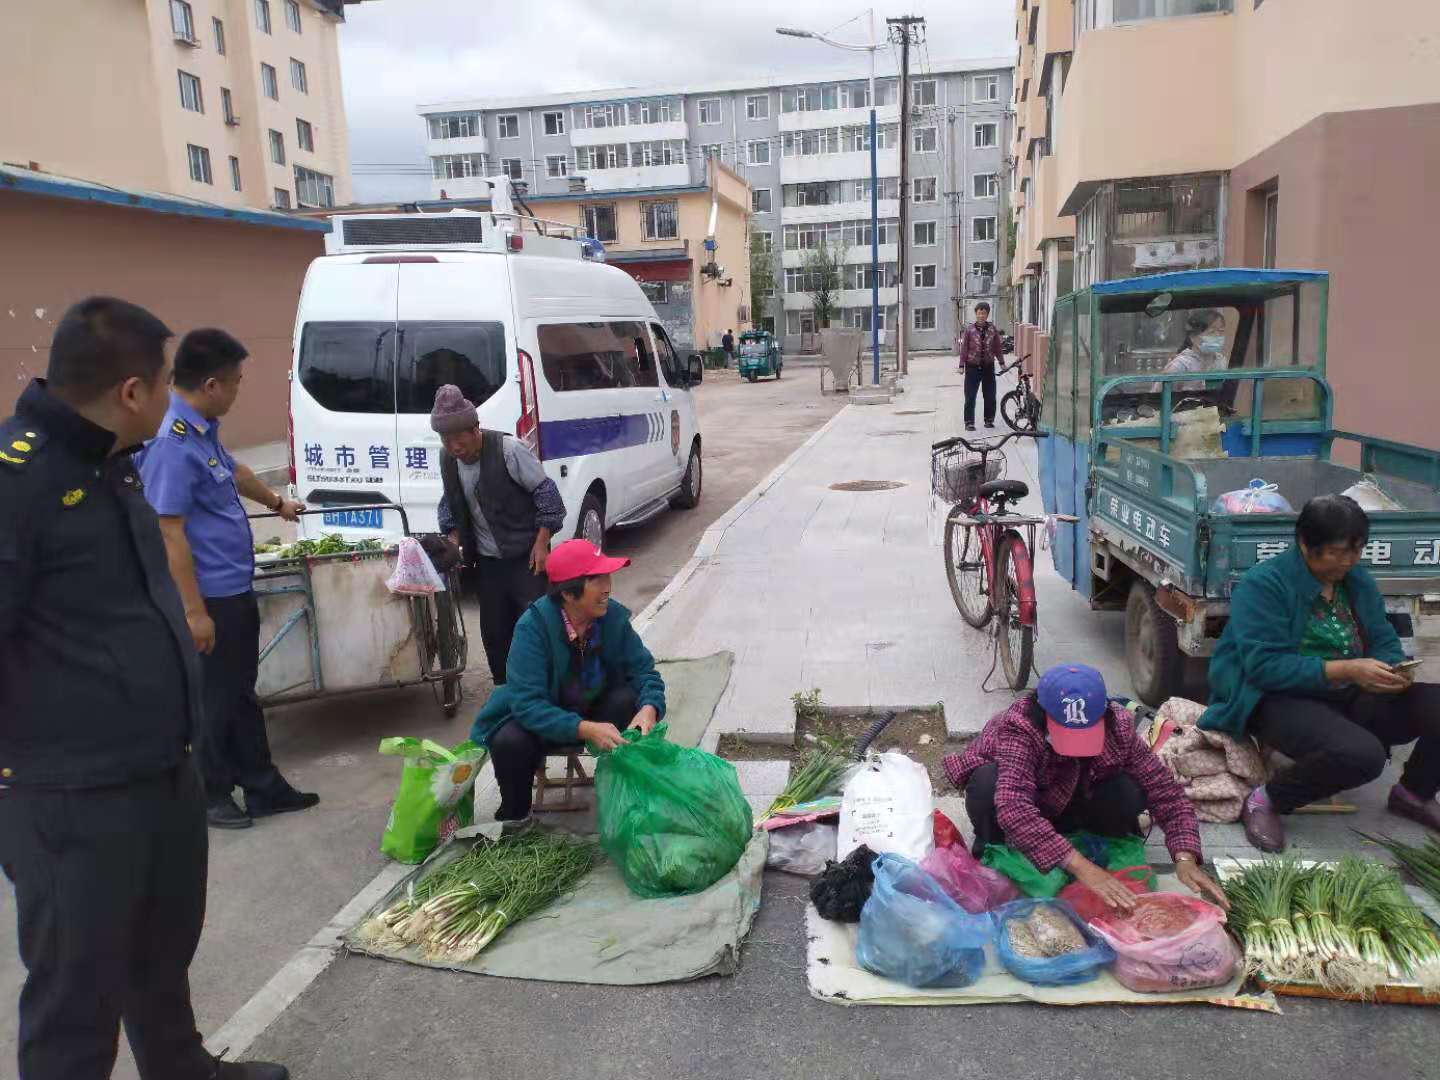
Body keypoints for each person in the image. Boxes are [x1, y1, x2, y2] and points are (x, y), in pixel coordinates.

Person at [0, 298, 288, 1079]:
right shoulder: (17, 482)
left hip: (160, 764)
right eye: (164, 383)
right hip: (72, 792)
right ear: (131, 391)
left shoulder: (113, 461)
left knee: (162, 948)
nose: (171, 398)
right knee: (75, 994)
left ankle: (180, 1067)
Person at [139, 329, 319, 830]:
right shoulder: (171, 443)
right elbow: (168, 531)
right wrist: (193, 612)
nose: (239, 391)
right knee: (215, 701)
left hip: (232, 589)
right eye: (237, 382)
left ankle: (263, 785)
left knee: (240, 692)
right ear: (213, 384)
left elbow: (233, 471)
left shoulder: (201, 429)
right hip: (209, 599)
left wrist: (276, 502)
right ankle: (212, 792)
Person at [1201, 495, 1440, 852]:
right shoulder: (1264, 585)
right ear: (1304, 544)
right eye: (1338, 552)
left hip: (1349, 691)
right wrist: (1346, 669)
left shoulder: (1355, 580)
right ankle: (1266, 800)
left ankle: (1413, 793)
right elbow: (1264, 667)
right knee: (1364, 756)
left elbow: (1382, 636)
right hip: (1276, 697)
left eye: (1356, 550)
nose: (1349, 561)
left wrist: (1392, 668)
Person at [943, 663, 1227, 912]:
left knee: (1128, 791)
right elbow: (1014, 806)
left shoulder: (1119, 727)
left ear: (1104, 716)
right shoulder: (1020, 726)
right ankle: (999, 850)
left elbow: (1166, 793)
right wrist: (1082, 867)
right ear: (1043, 716)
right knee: (986, 786)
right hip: (1033, 799)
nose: (1076, 748)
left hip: (1075, 797)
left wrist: (1185, 856)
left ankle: (1081, 841)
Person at [470, 539, 666, 822]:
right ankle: (515, 813)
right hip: (546, 715)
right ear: (569, 595)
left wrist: (650, 707)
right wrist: (584, 729)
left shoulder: (612, 618)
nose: (607, 586)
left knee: (627, 700)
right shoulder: (532, 628)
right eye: (595, 579)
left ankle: (622, 791)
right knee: (508, 741)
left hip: (594, 703)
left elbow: (644, 671)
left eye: (607, 576)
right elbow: (527, 704)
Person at [433, 384, 566, 686]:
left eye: (458, 437)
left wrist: (543, 543)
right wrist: (454, 541)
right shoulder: (448, 460)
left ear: (475, 429)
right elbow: (451, 504)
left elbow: (548, 497)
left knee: (534, 624)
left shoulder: (509, 450)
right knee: (495, 631)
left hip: (525, 556)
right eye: (445, 438)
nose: (453, 446)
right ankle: (506, 690)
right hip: (488, 562)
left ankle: (544, 686)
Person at [1151, 309, 1225, 393]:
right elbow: (1157, 394)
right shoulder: (1181, 365)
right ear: (1193, 337)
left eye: (1221, 331)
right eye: (1211, 332)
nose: (1218, 336)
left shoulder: (1220, 361)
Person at [958, 301, 1005, 432]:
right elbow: (964, 349)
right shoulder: (969, 330)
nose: (981, 316)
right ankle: (969, 422)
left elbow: (997, 347)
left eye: (983, 313)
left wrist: (1002, 362)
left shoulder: (992, 329)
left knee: (990, 395)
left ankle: (989, 420)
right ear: (976, 314)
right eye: (979, 313)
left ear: (987, 314)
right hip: (972, 367)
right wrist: (961, 365)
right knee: (970, 395)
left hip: (988, 367)